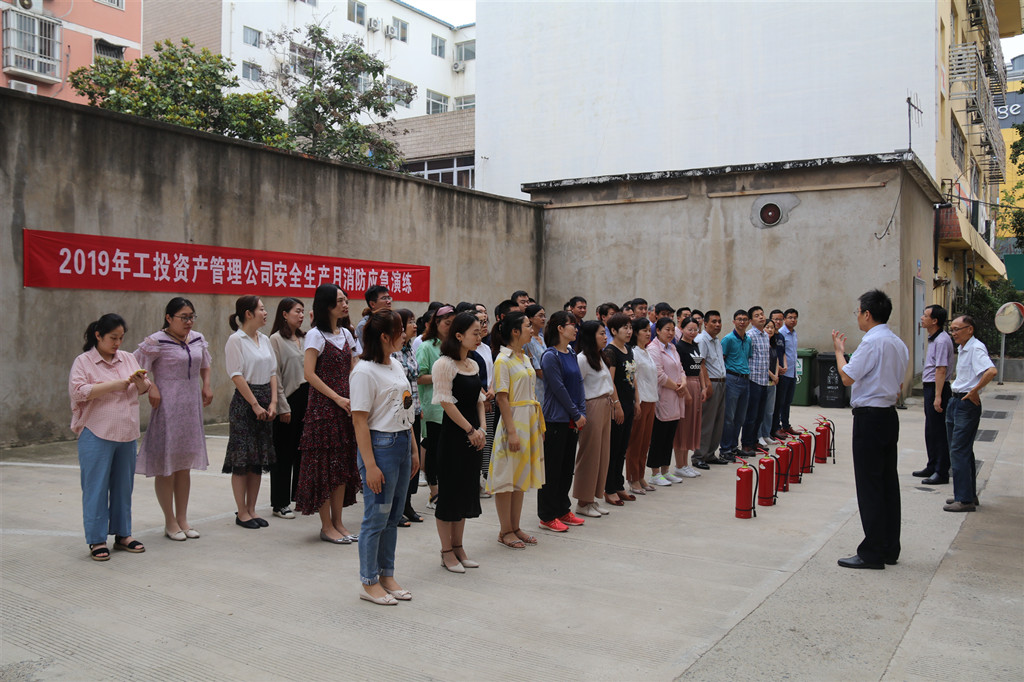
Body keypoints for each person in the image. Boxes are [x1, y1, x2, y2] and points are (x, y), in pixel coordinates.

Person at [831, 289, 908, 569]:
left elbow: (847, 377)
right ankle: (889, 547)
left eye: (858, 312)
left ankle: (872, 552)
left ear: (867, 313)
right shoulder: (898, 343)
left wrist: (839, 352)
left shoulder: (872, 342)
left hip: (870, 417)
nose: (858, 317)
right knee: (887, 482)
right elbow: (899, 384)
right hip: (888, 415)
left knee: (870, 484)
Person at [70, 313, 151, 560]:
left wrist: (139, 382)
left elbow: (145, 387)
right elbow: (79, 391)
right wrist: (114, 385)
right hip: (97, 432)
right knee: (95, 487)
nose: (117, 343)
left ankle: (123, 534)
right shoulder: (84, 361)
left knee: (123, 487)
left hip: (126, 433)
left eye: (121, 338)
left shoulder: (128, 358)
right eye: (113, 338)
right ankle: (96, 540)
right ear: (98, 335)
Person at [351, 310, 417, 605]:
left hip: (401, 442)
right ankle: (369, 581)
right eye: (399, 330)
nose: (404, 334)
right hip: (381, 446)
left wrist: (413, 448)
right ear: (384, 336)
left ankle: (387, 574)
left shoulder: (396, 363)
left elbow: (405, 407)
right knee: (375, 518)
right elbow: (359, 421)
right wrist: (370, 466)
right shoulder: (364, 371)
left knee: (392, 517)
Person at [135, 297, 213, 541]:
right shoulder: (155, 341)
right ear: (169, 318)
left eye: (191, 317)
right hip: (167, 406)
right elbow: (136, 368)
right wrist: (151, 387)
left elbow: (205, 364)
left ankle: (183, 518)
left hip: (190, 406)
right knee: (166, 465)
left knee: (183, 464)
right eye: (183, 317)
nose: (189, 322)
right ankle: (170, 521)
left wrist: (206, 384)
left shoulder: (197, 338)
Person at [295, 284, 361, 543]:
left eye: (346, 299)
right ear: (326, 305)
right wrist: (337, 397)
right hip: (323, 409)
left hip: (346, 407)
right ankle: (326, 526)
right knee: (324, 468)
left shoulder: (346, 333)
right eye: (339, 301)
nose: (345, 304)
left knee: (341, 465)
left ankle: (339, 523)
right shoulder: (315, 335)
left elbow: (354, 364)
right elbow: (309, 374)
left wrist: (353, 393)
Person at [432, 312, 486, 572]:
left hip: (474, 436)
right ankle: (446, 551)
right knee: (450, 495)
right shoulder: (444, 364)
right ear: (458, 335)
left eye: (480, 332)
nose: (479, 336)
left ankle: (459, 546)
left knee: (465, 492)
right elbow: (446, 402)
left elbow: (479, 400)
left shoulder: (472, 364)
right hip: (454, 437)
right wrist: (469, 430)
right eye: (475, 332)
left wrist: (482, 429)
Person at [489, 311, 546, 548]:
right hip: (513, 422)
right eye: (527, 326)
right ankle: (505, 530)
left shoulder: (524, 357)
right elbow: (502, 398)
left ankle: (515, 526)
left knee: (520, 477)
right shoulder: (503, 360)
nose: (531, 330)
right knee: (507, 479)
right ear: (515, 331)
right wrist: (511, 432)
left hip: (529, 420)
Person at [223, 296, 277, 529]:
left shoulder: (264, 339)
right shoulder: (236, 340)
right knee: (242, 459)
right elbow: (236, 375)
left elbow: (273, 372)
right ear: (248, 313)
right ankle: (242, 512)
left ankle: (252, 509)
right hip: (246, 403)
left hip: (265, 399)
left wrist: (273, 402)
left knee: (257, 459)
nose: (265, 313)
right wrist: (255, 404)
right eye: (261, 309)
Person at [537, 311, 587, 532]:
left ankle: (562, 509)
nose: (575, 329)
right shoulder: (550, 356)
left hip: (572, 418)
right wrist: (576, 414)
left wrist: (581, 411)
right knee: (552, 469)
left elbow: (579, 383)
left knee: (567, 468)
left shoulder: (571, 352)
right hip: (556, 419)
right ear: (559, 328)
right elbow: (559, 389)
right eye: (571, 325)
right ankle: (547, 515)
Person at [944, 315, 997, 512]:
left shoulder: (975, 348)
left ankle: (964, 500)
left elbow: (991, 371)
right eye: (952, 329)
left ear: (970, 329)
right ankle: (967, 493)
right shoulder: (964, 348)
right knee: (961, 450)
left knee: (959, 450)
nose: (954, 333)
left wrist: (974, 391)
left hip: (966, 404)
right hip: (955, 401)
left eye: (957, 329)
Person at [269, 297, 307, 520]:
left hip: (307, 398)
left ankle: (298, 496)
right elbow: (275, 375)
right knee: (284, 453)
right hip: (288, 399)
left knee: (302, 451)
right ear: (284, 314)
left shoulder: (304, 338)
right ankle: (280, 502)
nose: (301, 316)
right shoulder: (275, 339)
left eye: (303, 312)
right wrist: (282, 406)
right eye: (297, 311)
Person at [573, 321, 615, 517]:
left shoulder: (600, 356)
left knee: (602, 454)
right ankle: (583, 501)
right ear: (591, 336)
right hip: (592, 406)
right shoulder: (582, 359)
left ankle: (592, 498)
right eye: (601, 334)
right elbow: (577, 387)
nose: (605, 337)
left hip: (605, 404)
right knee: (589, 454)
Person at [416, 305, 456, 510]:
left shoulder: (454, 346)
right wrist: (442, 376)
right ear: (437, 323)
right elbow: (419, 377)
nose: (450, 327)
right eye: (447, 323)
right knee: (434, 451)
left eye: (453, 324)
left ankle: (447, 490)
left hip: (454, 405)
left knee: (449, 452)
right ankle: (434, 493)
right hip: (434, 407)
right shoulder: (426, 347)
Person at [914, 305, 954, 485]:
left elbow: (941, 369)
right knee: (930, 429)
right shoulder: (934, 338)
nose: (922, 318)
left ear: (935, 321)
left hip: (938, 388)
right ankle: (932, 465)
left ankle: (941, 471)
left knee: (938, 431)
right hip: (931, 387)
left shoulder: (942, 340)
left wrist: (938, 396)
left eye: (925, 315)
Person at [393, 309, 424, 524]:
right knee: (401, 460)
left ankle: (408, 503)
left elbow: (415, 378)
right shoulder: (393, 352)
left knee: (414, 459)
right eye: (410, 322)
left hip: (414, 410)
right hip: (399, 412)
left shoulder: (410, 349)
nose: (415, 325)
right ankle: (397, 507)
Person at [647, 317, 686, 486]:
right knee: (659, 436)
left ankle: (665, 470)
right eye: (666, 329)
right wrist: (677, 387)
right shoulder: (653, 349)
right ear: (658, 331)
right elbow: (659, 375)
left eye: (672, 330)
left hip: (675, 397)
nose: (670, 333)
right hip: (663, 397)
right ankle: (655, 473)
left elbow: (681, 369)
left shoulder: (672, 347)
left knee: (670, 435)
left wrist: (683, 382)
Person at [602, 313, 637, 504]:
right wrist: (617, 405)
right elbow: (610, 381)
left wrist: (636, 401)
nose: (629, 331)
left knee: (623, 447)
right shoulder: (610, 352)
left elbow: (633, 377)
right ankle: (609, 489)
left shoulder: (628, 349)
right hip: (617, 405)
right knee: (614, 448)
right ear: (614, 331)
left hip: (629, 403)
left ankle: (618, 485)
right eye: (625, 328)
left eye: (630, 327)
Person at [625, 317, 658, 492]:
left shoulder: (647, 352)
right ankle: (632, 478)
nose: (647, 333)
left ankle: (640, 475)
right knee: (636, 441)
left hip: (651, 399)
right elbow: (633, 379)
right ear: (636, 333)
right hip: (641, 400)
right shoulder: (634, 352)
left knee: (645, 442)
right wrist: (636, 401)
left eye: (648, 330)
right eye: (644, 330)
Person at [692, 311, 728, 467]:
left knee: (718, 421)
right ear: (705, 323)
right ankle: (699, 455)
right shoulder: (701, 340)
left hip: (721, 383)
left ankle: (710, 454)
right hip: (710, 383)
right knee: (706, 421)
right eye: (714, 321)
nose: (717, 324)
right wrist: (706, 385)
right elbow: (699, 363)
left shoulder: (716, 340)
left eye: (719, 321)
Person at [672, 316, 707, 477]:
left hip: (696, 385)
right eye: (689, 329)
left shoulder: (695, 346)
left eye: (695, 329)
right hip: (686, 386)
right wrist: (686, 391)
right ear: (682, 329)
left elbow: (699, 368)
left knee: (692, 425)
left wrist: (704, 387)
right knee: (683, 426)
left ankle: (685, 464)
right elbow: (678, 371)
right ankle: (679, 465)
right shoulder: (679, 347)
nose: (693, 332)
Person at [719, 309, 752, 461]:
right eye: (739, 319)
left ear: (748, 322)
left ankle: (733, 447)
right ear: (734, 321)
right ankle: (725, 449)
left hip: (745, 380)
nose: (742, 322)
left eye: (745, 319)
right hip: (732, 379)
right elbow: (721, 359)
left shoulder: (748, 340)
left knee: (740, 417)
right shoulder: (728, 339)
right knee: (729, 417)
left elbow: (747, 358)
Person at [740, 306, 770, 455]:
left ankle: (754, 441)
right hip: (753, 380)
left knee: (760, 414)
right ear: (751, 321)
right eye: (757, 315)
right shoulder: (749, 336)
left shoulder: (765, 335)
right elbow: (746, 357)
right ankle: (746, 443)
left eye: (762, 314)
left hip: (764, 380)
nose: (761, 317)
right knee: (751, 415)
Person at [773, 308, 799, 438]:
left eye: (795, 318)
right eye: (790, 317)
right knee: (780, 402)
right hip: (783, 373)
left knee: (788, 401)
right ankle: (777, 427)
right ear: (785, 319)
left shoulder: (794, 333)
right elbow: (779, 353)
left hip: (792, 372)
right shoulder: (780, 333)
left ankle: (786, 425)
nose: (793, 320)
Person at [757, 318, 784, 446]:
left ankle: (766, 434)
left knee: (769, 411)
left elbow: (777, 360)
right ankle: (759, 436)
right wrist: (772, 375)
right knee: (760, 411)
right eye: (767, 327)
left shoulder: (773, 344)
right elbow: (761, 362)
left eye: (772, 327)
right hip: (763, 380)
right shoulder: (761, 343)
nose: (770, 329)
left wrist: (776, 375)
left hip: (773, 382)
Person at [523, 304, 547, 405]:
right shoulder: (528, 340)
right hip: (536, 383)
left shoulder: (542, 338)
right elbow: (535, 367)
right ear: (531, 318)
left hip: (546, 382)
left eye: (544, 316)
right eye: (540, 316)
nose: (543, 319)